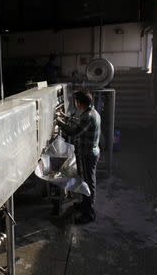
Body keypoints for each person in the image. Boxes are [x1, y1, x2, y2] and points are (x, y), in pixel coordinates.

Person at [56, 90, 101, 224]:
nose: (75, 102)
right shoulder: (90, 112)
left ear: (79, 103)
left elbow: (73, 131)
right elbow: (79, 122)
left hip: (87, 155)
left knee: (88, 183)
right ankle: (84, 205)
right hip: (87, 153)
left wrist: (59, 121)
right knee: (85, 181)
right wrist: (65, 116)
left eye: (75, 100)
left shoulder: (88, 116)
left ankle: (89, 214)